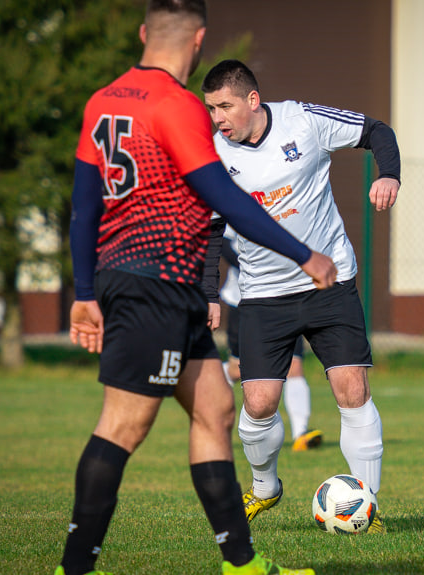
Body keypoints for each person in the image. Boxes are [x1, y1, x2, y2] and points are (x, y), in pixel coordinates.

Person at [60, 2, 336, 574]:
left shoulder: (101, 101)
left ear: (143, 34)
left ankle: (243, 566)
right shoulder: (178, 106)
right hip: (153, 282)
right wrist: (302, 252)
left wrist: (84, 290)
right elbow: (224, 197)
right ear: (200, 39)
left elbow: (83, 209)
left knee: (214, 408)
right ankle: (74, 568)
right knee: (122, 425)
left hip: (151, 283)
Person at [201, 59, 400, 533]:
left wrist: (389, 174)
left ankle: (366, 509)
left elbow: (377, 130)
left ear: (252, 100)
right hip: (263, 294)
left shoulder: (303, 121)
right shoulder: (212, 155)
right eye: (211, 109)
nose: (218, 118)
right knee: (260, 403)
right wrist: (209, 291)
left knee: (352, 389)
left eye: (225, 106)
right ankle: (265, 486)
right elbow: (207, 229)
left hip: (329, 281)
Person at [220, 225, 323, 452]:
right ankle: (212, 376)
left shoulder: (289, 195)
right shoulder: (237, 192)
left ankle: (301, 433)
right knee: (238, 368)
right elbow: (221, 241)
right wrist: (255, 267)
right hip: (244, 299)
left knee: (294, 365)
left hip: (286, 297)